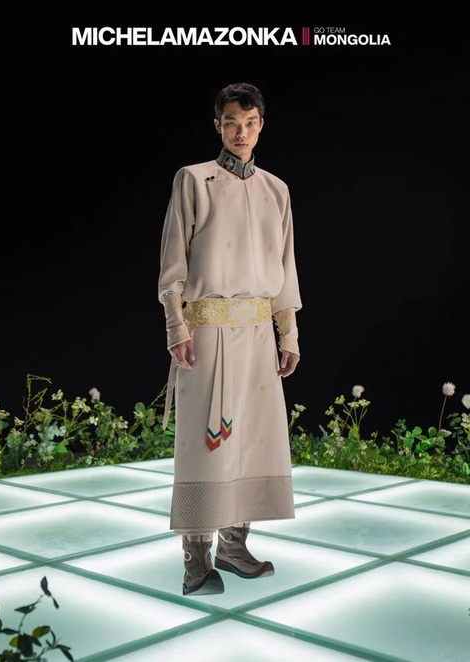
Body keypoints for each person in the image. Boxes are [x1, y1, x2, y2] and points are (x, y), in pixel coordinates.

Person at [158, 82, 302, 596]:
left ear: (261, 124)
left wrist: (289, 333)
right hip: (207, 329)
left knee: (253, 442)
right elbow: (173, 260)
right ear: (217, 125)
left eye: (250, 122)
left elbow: (285, 267)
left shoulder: (276, 190)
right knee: (207, 444)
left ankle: (234, 548)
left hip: (259, 334)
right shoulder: (193, 180)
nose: (241, 132)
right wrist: (176, 326)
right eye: (231, 123)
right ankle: (196, 562)